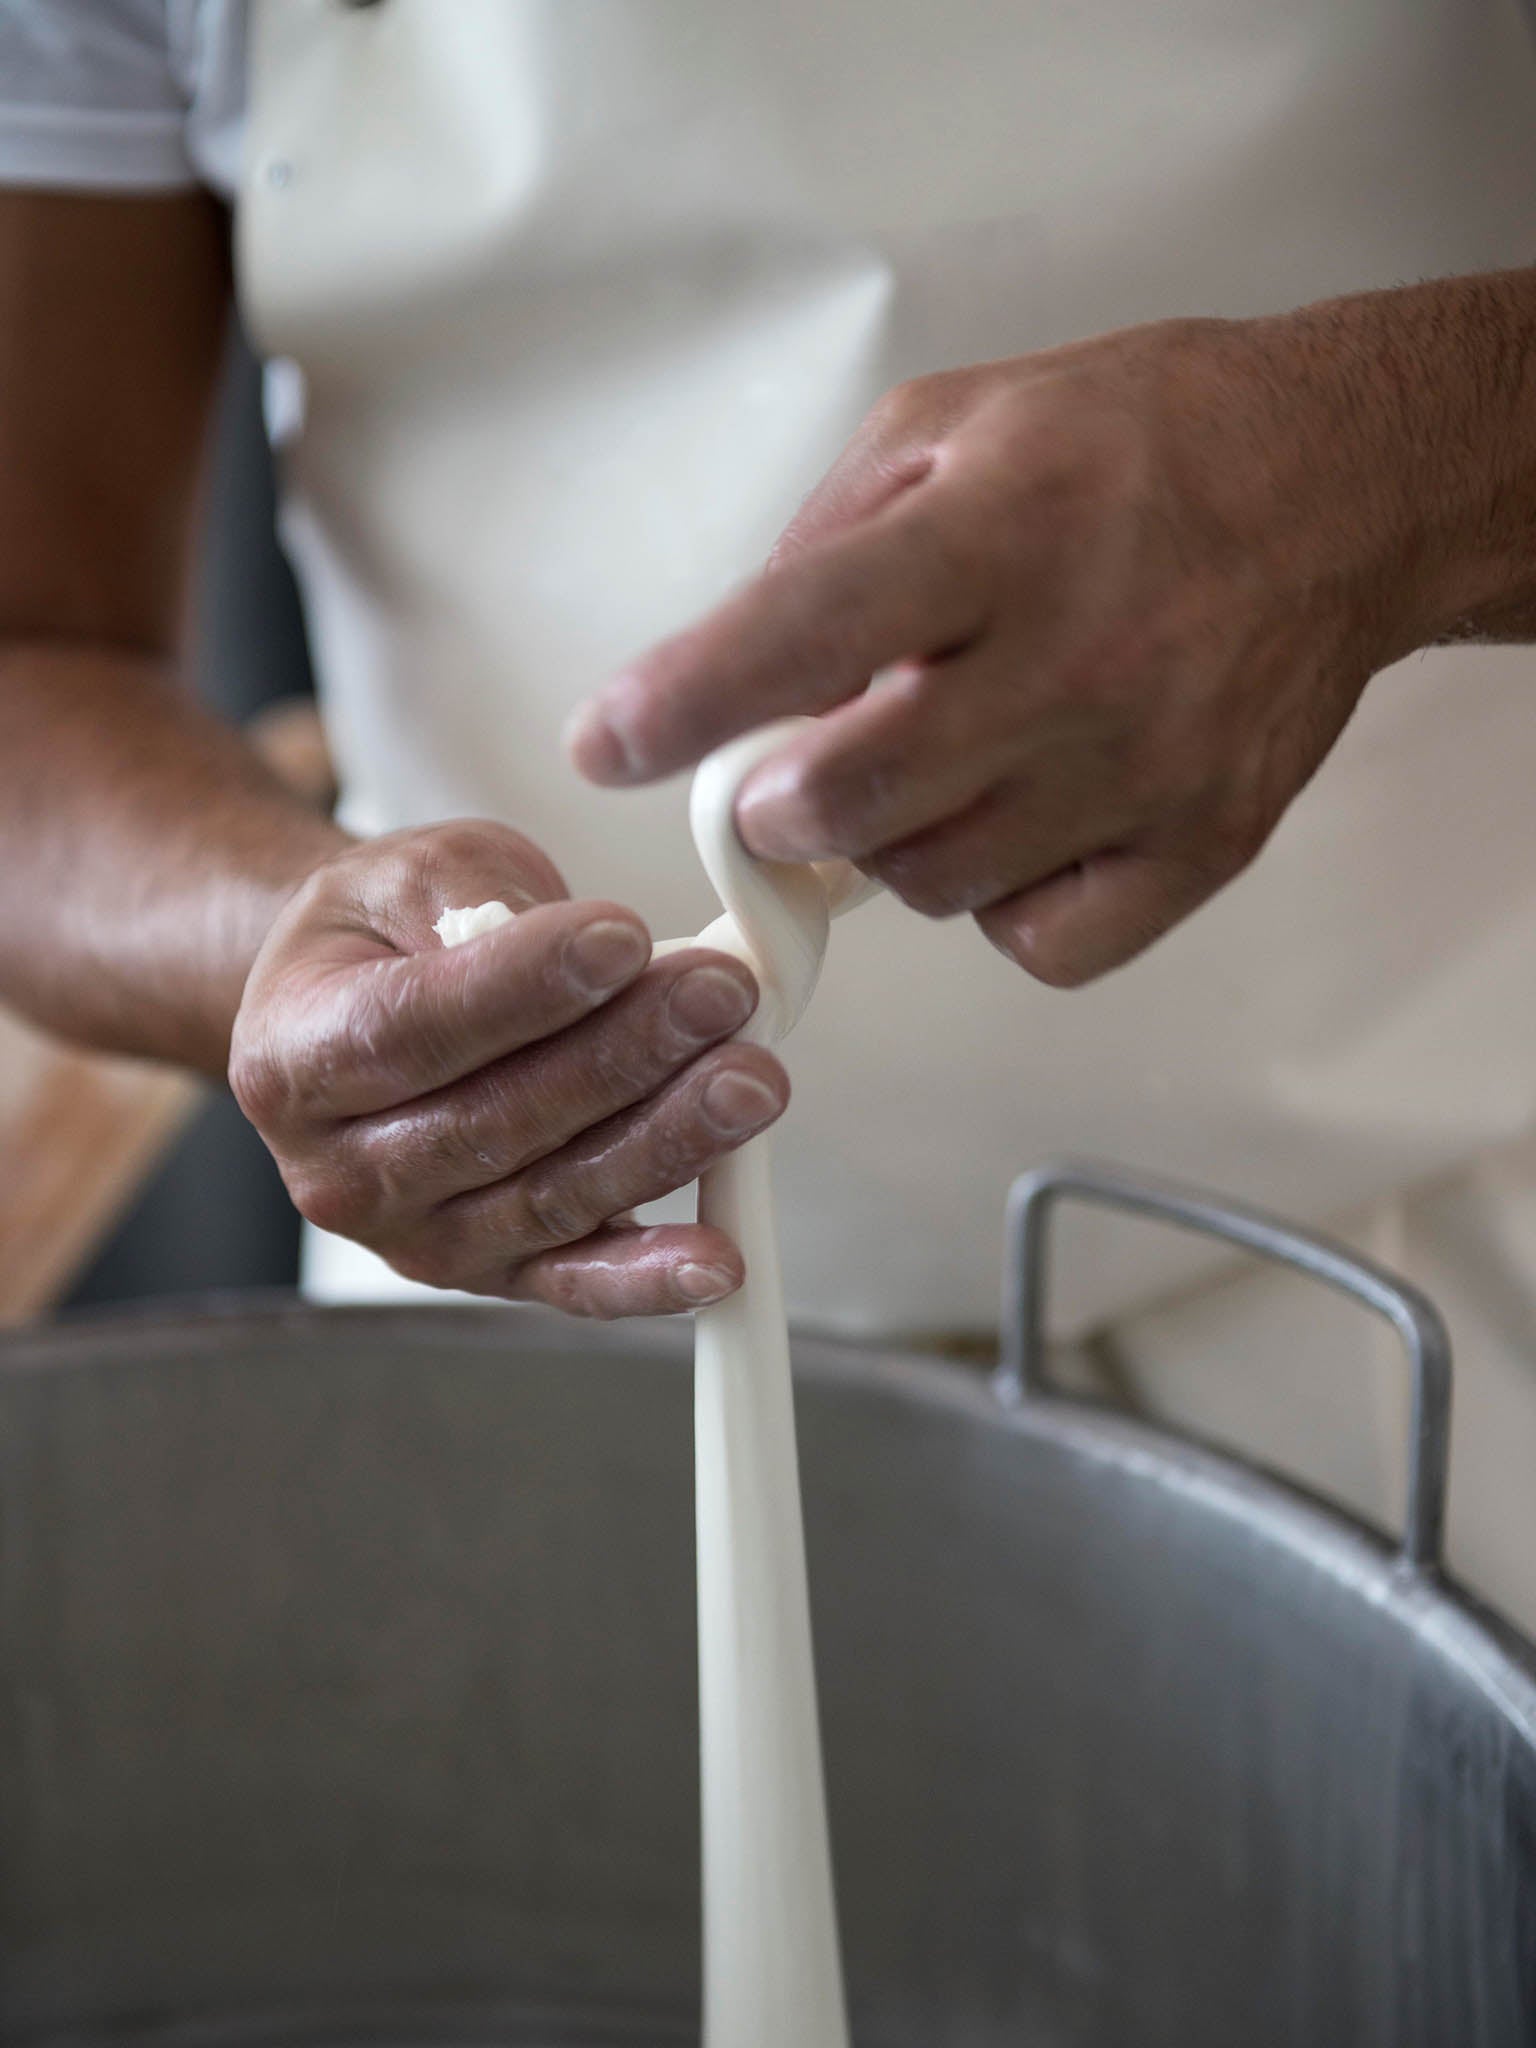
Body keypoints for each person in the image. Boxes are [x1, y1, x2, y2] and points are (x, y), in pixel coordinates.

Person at [3, 0, 1536, 1626]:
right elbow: (30, 662)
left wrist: (1379, 469)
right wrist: (313, 974)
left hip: (1418, 1312)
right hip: (520, 1335)